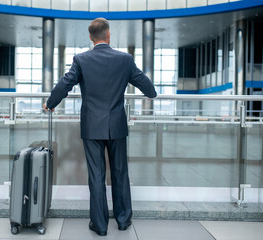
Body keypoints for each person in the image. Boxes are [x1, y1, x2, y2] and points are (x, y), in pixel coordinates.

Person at [43, 17, 157, 236]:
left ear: (90, 37)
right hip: (117, 125)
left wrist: (50, 103)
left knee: (96, 175)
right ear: (108, 34)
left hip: (91, 127)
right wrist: (151, 95)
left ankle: (100, 225)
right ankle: (123, 220)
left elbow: (65, 84)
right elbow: (144, 82)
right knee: (120, 172)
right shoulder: (125, 59)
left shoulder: (81, 59)